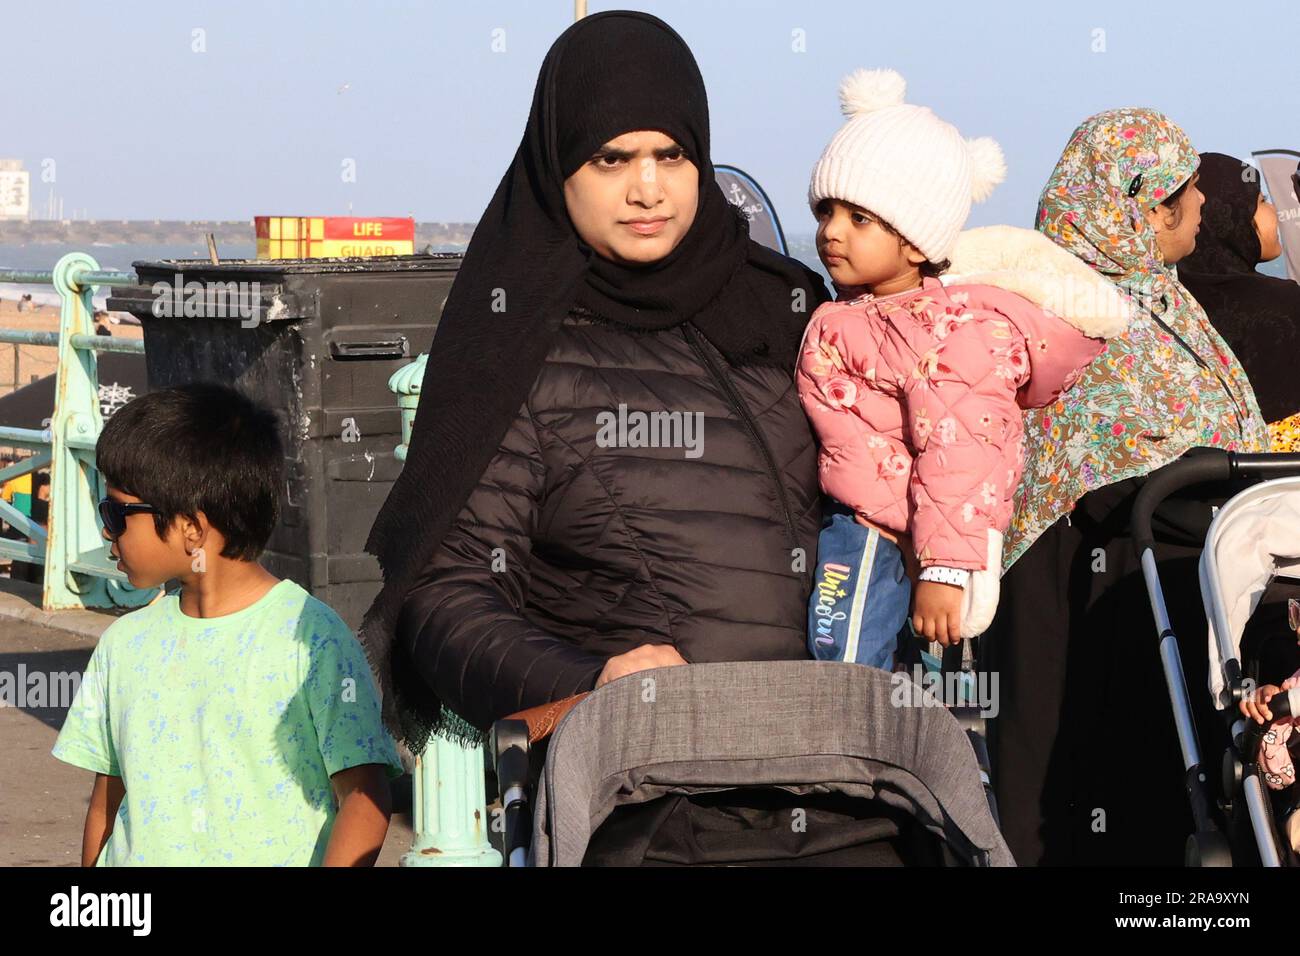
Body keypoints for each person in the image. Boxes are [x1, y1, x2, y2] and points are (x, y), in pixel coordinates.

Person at [358, 11, 830, 751]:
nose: (649, 189)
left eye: (671, 156)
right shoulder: (516, 339)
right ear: (558, 164)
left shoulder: (790, 307)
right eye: (611, 159)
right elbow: (444, 595)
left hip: (838, 769)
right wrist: (590, 683)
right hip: (646, 793)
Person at [985, 109, 1269, 865]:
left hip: (1160, 610)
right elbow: (1108, 472)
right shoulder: (1074, 312)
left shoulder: (1162, 299)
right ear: (1141, 208)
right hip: (1086, 612)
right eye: (1185, 188)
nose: (1202, 204)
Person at [796, 69, 1125, 668]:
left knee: (840, 669)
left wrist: (945, 568)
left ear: (917, 242)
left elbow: (965, 451)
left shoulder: (948, 330)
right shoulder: (867, 311)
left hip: (883, 533)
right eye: (826, 212)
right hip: (867, 520)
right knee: (877, 677)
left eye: (859, 218)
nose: (830, 231)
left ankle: (847, 763)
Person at [52, 383, 403, 866]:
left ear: (192, 529)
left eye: (115, 512)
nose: (106, 530)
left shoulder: (312, 641)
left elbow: (364, 801)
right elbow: (106, 807)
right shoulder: (123, 644)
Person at [1177, 152, 1300, 451]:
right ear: (1228, 215)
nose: (1273, 210)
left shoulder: (1173, 306)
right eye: (1260, 201)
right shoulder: (1286, 306)